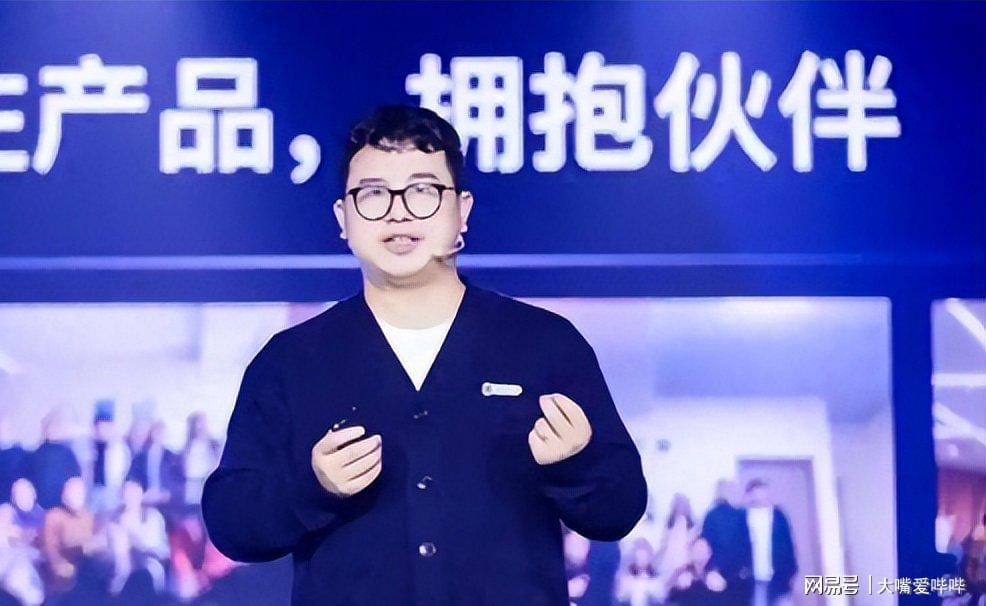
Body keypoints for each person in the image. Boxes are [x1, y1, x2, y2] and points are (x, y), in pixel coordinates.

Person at [200, 104, 648, 605]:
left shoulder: (544, 344)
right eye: (373, 194)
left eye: (422, 191)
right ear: (343, 218)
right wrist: (314, 487)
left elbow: (621, 509)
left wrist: (575, 465)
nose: (399, 212)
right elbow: (231, 523)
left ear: (462, 211)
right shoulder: (292, 361)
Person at [744, 479, 797, 606]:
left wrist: (792, 572)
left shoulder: (778, 515)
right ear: (749, 495)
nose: (760, 495)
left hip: (779, 575)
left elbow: (788, 545)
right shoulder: (743, 517)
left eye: (763, 491)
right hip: (753, 577)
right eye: (756, 492)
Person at [28, 408, 82, 511]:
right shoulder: (36, 454)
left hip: (63, 509)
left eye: (56, 426)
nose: (52, 430)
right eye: (50, 426)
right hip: (40, 509)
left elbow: (75, 481)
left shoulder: (67, 454)